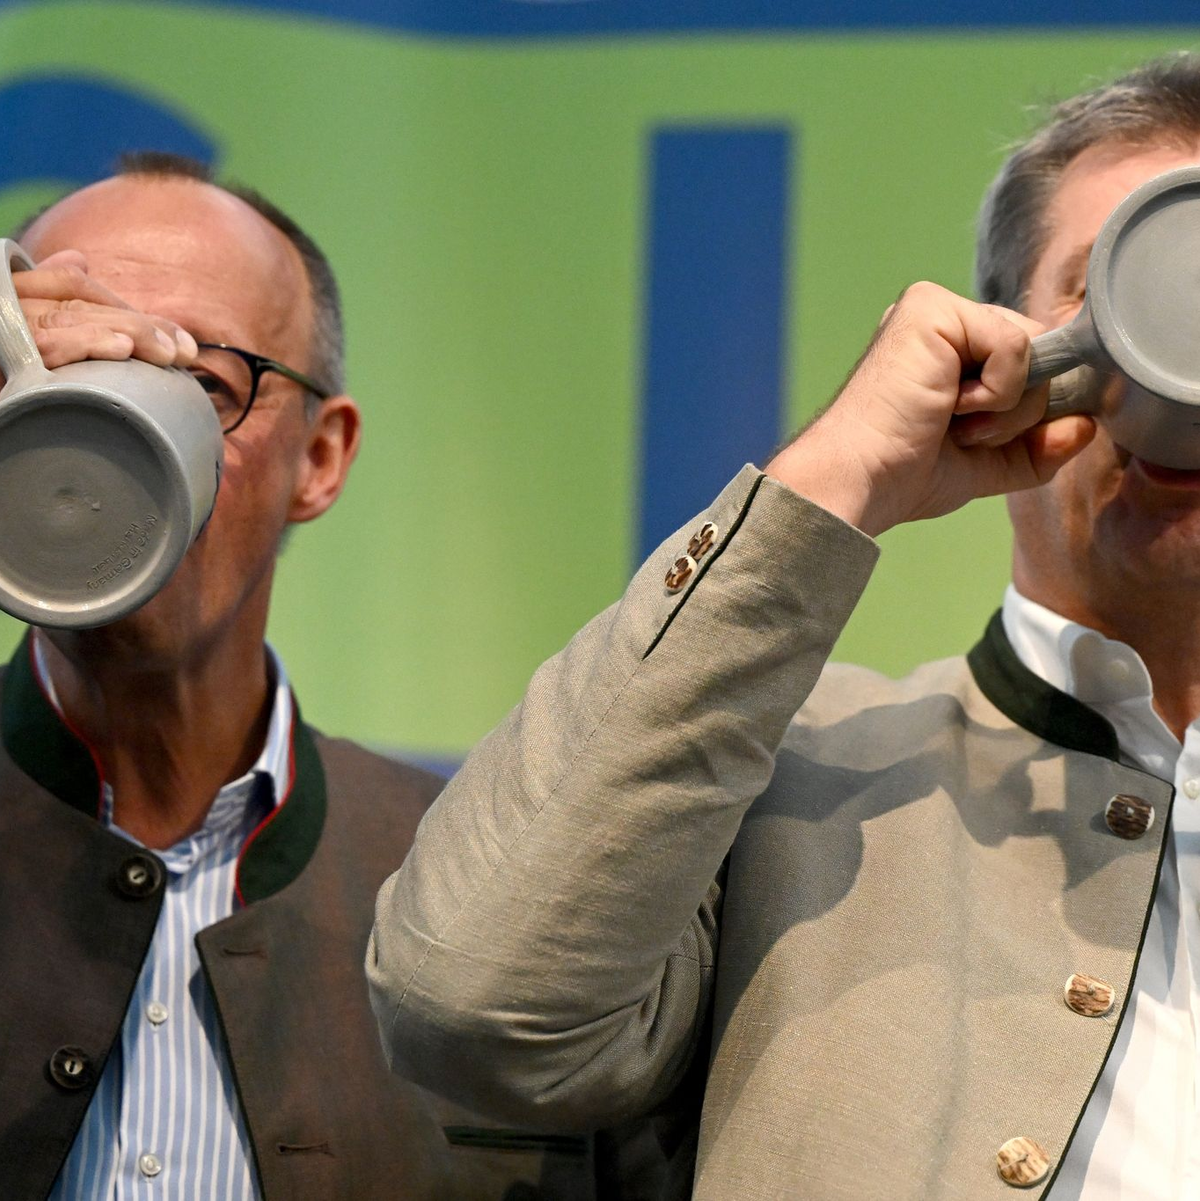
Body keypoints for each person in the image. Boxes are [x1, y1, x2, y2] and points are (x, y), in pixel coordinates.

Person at [368, 53, 1200, 1199]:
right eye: (1117, 291)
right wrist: (834, 481)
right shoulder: (791, 772)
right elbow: (473, 1010)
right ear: (1008, 350)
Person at [0, 153, 654, 1200]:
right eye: (64, 375)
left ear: (321, 458)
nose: (116, 433)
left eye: (203, 384)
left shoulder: (479, 884)